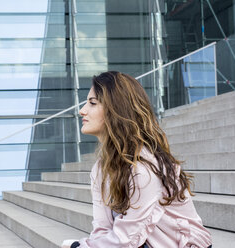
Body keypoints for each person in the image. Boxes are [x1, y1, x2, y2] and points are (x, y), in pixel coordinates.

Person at [62, 71, 212, 248]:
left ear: (115, 109)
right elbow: (102, 229)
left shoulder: (143, 167)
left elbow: (126, 240)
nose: (82, 110)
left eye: (92, 103)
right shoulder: (100, 169)